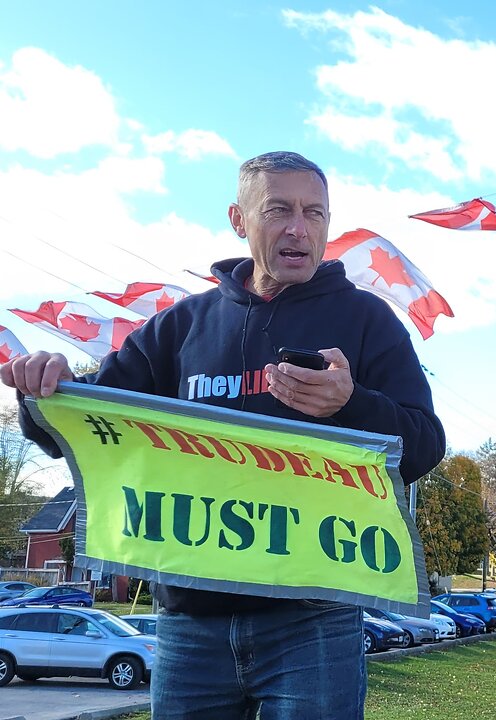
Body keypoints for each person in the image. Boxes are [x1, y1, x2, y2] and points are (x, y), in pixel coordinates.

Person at [1, 151, 446, 717]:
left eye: (315, 214)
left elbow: (425, 445)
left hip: (315, 621)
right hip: (191, 624)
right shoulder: (178, 326)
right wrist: (41, 387)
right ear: (239, 220)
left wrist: (352, 405)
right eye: (278, 209)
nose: (298, 227)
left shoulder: (368, 320)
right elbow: (87, 420)